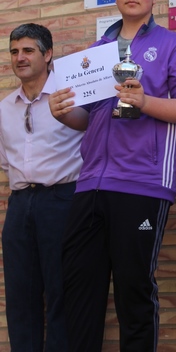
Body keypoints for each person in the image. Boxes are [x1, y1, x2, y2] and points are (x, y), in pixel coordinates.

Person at [49, 0, 176, 352]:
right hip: (90, 185)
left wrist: (145, 101)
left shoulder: (174, 45)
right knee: (79, 295)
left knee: (134, 295)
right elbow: (88, 118)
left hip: (142, 183)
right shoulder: (97, 50)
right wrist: (62, 112)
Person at [0, 23, 83, 352]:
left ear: (48, 55)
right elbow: (5, 161)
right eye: (14, 52)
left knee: (62, 292)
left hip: (62, 201)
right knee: (20, 296)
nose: (19, 57)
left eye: (28, 50)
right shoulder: (5, 107)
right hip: (20, 204)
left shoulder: (70, 98)